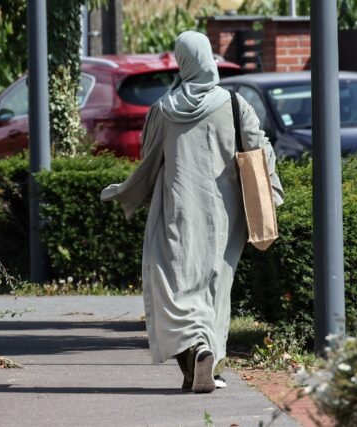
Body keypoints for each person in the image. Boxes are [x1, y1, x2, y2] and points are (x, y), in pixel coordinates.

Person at [100, 31, 284, 393]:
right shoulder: (234, 104)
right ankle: (210, 360)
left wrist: (125, 192)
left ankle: (194, 356)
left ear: (184, 62)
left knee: (176, 287)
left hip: (177, 211)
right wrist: (271, 190)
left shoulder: (164, 110)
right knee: (216, 285)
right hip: (226, 215)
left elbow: (148, 161)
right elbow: (260, 151)